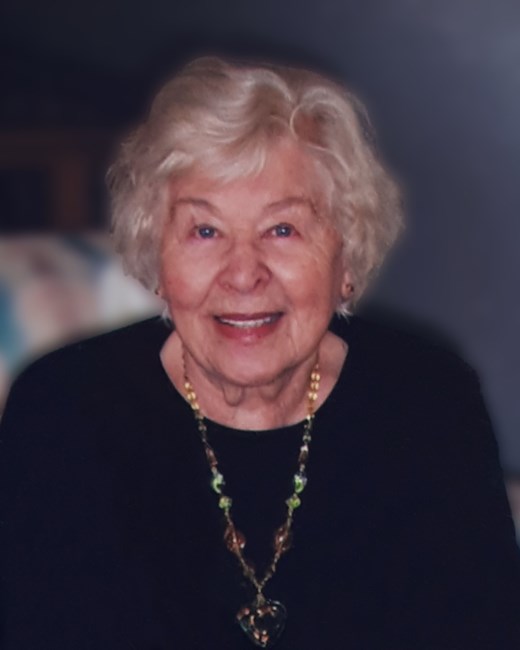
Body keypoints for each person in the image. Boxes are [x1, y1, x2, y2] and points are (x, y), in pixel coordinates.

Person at [1, 56, 519, 650]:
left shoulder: (431, 406)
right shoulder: (62, 412)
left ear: (346, 260)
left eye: (282, 230)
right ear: (157, 258)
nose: (243, 274)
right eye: (205, 231)